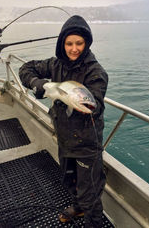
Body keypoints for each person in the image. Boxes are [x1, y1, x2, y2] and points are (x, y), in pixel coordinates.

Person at [19, 15, 108, 227]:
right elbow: (26, 69)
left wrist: (81, 104)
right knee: (69, 180)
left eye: (79, 43)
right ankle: (77, 208)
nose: (74, 48)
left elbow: (96, 103)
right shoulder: (55, 64)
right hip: (64, 138)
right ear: (62, 43)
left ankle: (93, 222)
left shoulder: (96, 72)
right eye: (69, 43)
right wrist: (36, 83)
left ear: (86, 44)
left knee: (90, 194)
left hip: (86, 144)